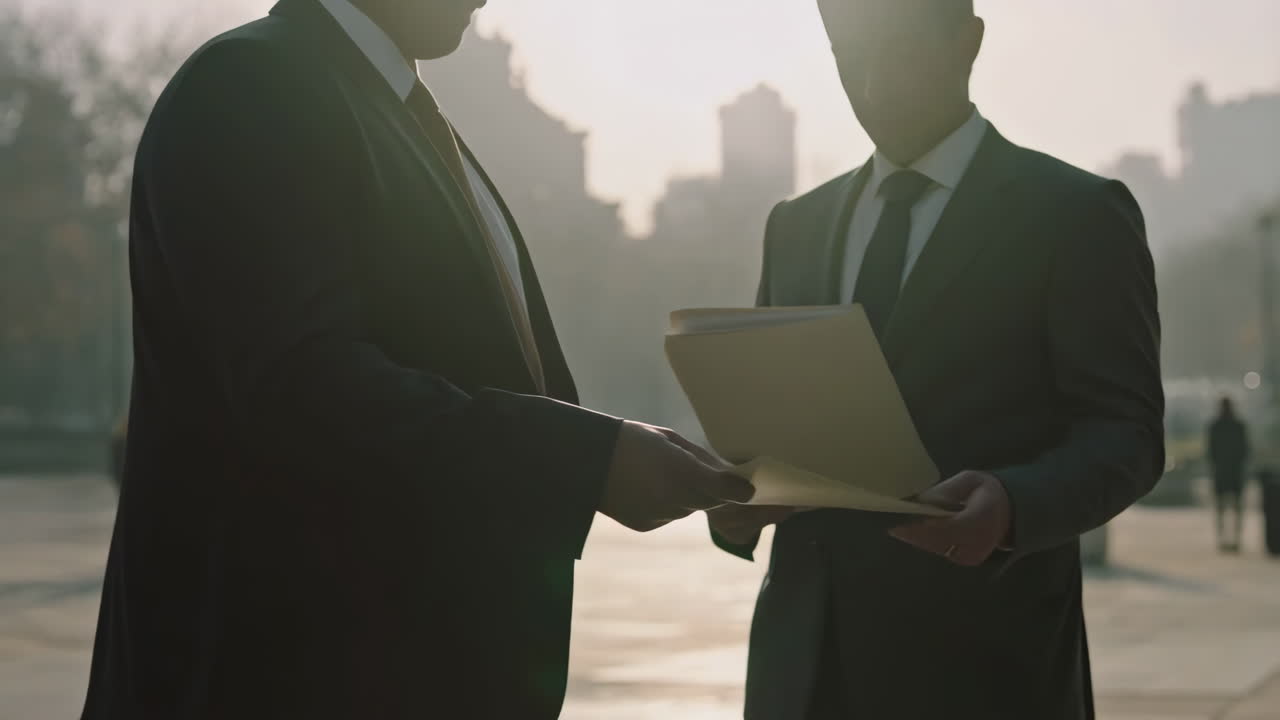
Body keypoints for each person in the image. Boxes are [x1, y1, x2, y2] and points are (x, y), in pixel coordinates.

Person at [80, 1, 753, 718]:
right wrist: (588, 460)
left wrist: (615, 463)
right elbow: (304, 392)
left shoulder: (391, 108)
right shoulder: (252, 86)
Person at [706, 1, 1165, 718]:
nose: (873, 81)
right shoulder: (795, 225)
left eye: (897, 50)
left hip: (985, 671)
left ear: (968, 42)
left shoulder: (1077, 215)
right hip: (801, 673)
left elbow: (1128, 434)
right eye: (847, 55)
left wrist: (1015, 504)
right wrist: (735, 499)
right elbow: (776, 430)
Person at [1208, 397, 1250, 553]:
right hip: (1235, 471)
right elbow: (1245, 450)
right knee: (1236, 508)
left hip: (1221, 472)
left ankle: (1222, 539)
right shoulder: (1239, 426)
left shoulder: (1215, 426)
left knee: (1221, 508)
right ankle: (1236, 539)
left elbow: (1211, 451)